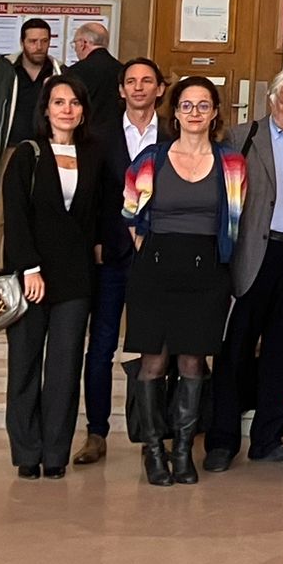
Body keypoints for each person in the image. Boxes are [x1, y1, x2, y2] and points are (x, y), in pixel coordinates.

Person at [121, 75, 248, 486]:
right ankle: (153, 450)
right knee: (154, 361)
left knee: (194, 359)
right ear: (174, 112)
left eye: (203, 106)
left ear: (214, 114)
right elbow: (129, 213)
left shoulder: (232, 163)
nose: (195, 113)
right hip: (155, 268)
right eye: (187, 106)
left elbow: (236, 219)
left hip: (206, 271)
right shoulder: (151, 158)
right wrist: (148, 251)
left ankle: (182, 449)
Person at [207, 68, 283, 472]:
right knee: (234, 351)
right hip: (252, 256)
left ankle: (268, 439)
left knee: (282, 353)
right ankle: (222, 442)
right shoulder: (242, 138)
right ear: (271, 102)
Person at [1, 74, 113, 479]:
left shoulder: (95, 155)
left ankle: (54, 455)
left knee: (64, 370)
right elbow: (15, 218)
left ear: (84, 111)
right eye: (59, 102)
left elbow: (100, 211)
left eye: (75, 103)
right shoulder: (27, 155)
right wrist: (28, 267)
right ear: (45, 109)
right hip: (31, 276)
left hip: (76, 278)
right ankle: (27, 452)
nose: (67, 109)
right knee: (26, 367)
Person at [74, 54, 164, 467]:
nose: (140, 87)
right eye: (132, 81)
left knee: (155, 346)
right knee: (102, 345)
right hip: (111, 254)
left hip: (160, 256)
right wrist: (94, 241)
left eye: (148, 80)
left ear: (160, 89)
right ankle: (96, 433)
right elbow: (89, 196)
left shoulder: (178, 136)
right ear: (121, 89)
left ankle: (152, 434)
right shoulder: (99, 134)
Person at [0, 17, 57, 278]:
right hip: (7, 152)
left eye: (44, 41)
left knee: (40, 219)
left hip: (44, 154)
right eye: (33, 41)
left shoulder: (58, 72)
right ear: (22, 43)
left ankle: (30, 281)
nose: (38, 46)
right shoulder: (3, 70)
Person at [66, 21, 122, 131]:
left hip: (85, 135)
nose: (76, 49)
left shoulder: (75, 72)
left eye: (75, 44)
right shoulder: (123, 69)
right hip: (116, 134)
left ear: (83, 44)